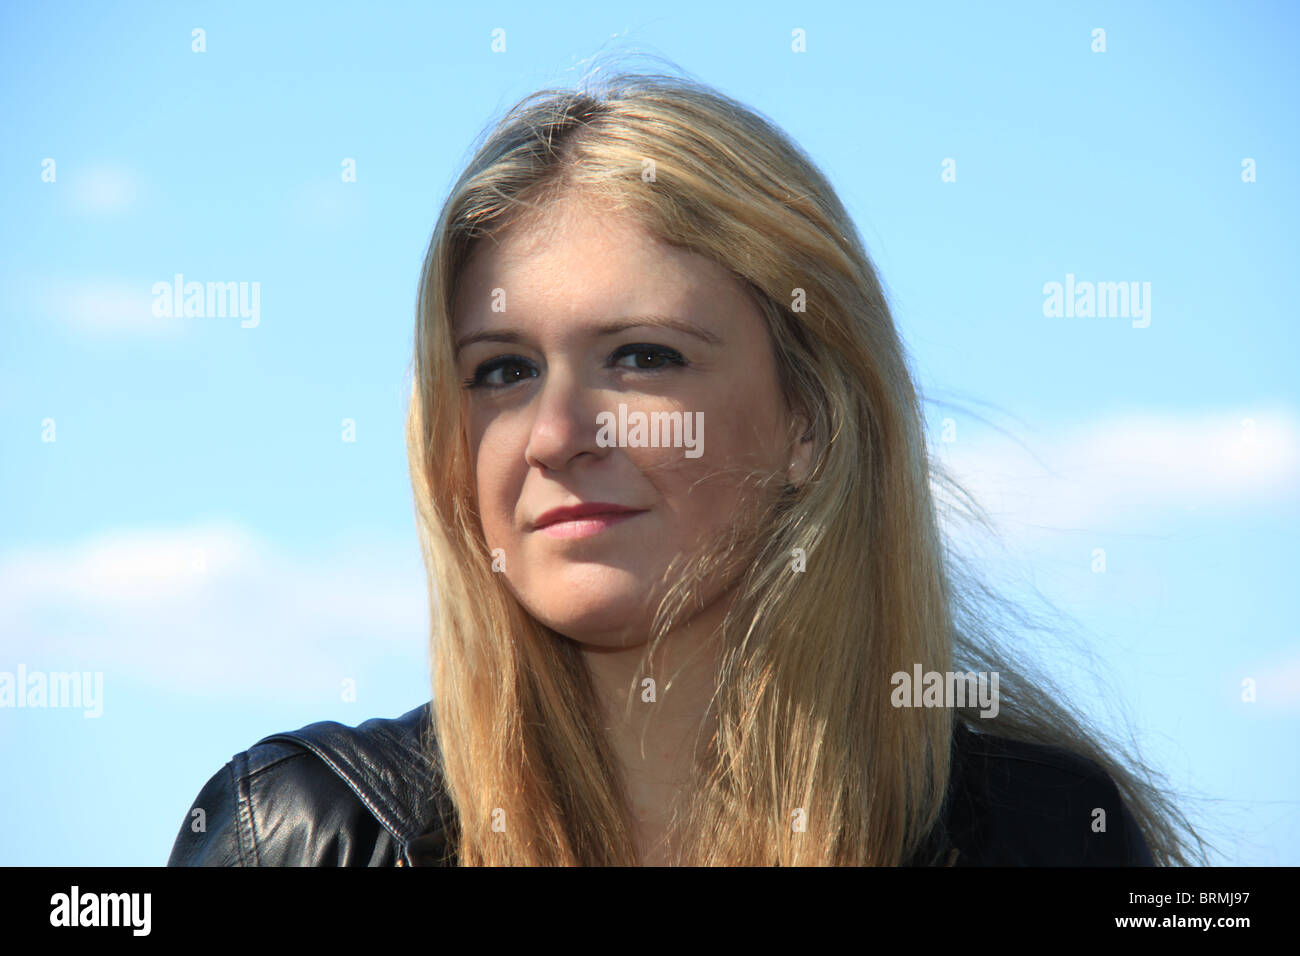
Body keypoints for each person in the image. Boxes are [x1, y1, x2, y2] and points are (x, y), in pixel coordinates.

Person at [168, 67, 1205, 867]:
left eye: (642, 357)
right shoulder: (303, 833)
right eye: (502, 369)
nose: (555, 430)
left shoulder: (1041, 829)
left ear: (809, 417)